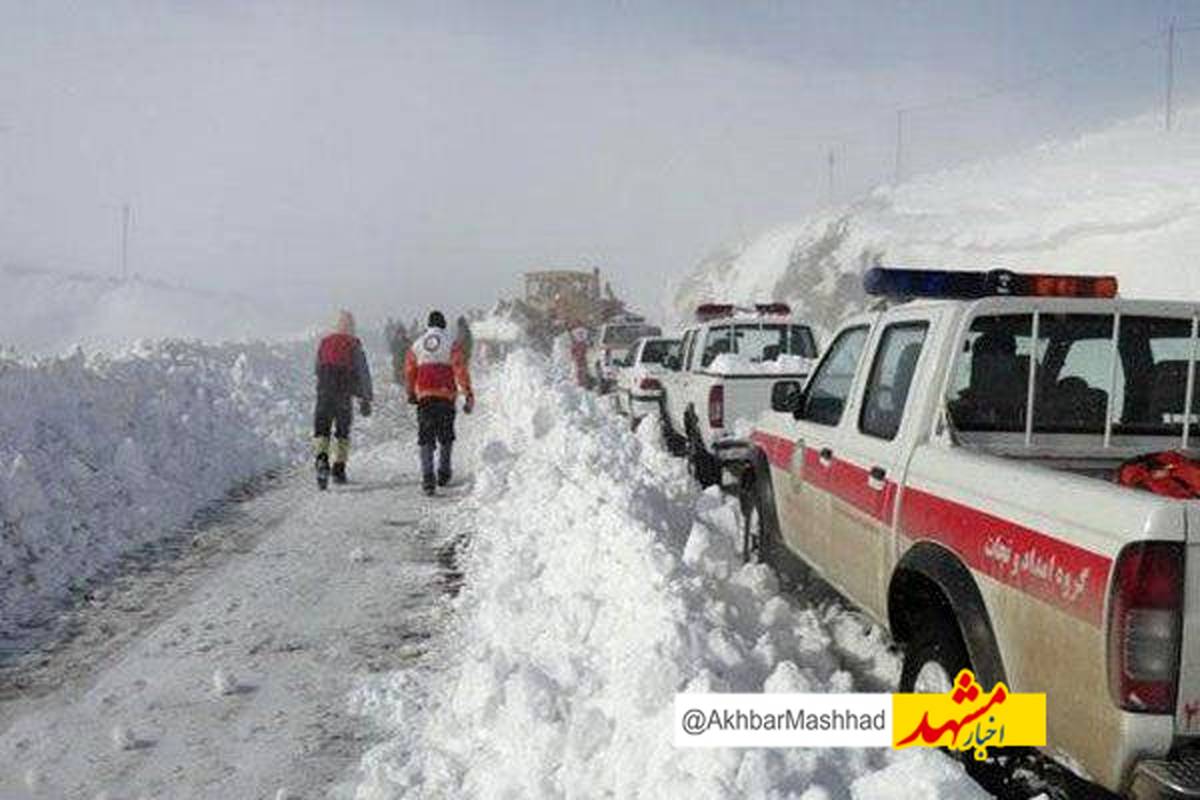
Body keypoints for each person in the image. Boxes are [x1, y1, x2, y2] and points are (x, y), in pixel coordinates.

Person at [405, 310, 474, 495]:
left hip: (425, 396)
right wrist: (467, 392)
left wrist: (411, 392)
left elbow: (410, 370)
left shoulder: (417, 345)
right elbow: (460, 369)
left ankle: (428, 477)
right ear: (444, 325)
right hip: (446, 395)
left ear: (428, 325)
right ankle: (443, 472)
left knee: (425, 436)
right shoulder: (452, 344)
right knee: (446, 435)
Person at [313, 310, 373, 489]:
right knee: (342, 431)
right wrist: (365, 398)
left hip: (324, 390)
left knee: (322, 428)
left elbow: (317, 367)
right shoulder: (354, 344)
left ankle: (322, 460)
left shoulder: (324, 342)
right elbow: (363, 373)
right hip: (343, 393)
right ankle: (339, 469)